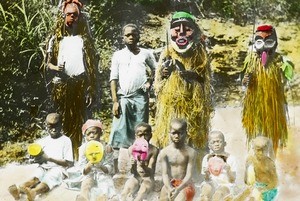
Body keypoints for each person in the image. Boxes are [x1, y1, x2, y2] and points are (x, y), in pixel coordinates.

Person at [44, 0, 99, 159]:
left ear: (80, 17)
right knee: (63, 120)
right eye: (68, 14)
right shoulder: (56, 39)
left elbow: (92, 68)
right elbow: (46, 64)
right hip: (62, 86)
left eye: (75, 15)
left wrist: (91, 89)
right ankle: (63, 156)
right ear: (63, 16)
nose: (72, 18)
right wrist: (55, 68)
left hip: (80, 86)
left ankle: (79, 155)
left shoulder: (84, 40)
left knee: (81, 120)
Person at [152, 11, 213, 150]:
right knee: (171, 136)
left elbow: (206, 82)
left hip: (193, 107)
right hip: (170, 105)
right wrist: (163, 73)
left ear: (195, 31)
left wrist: (195, 77)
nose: (181, 32)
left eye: (187, 28)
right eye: (176, 28)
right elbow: (158, 82)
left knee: (192, 138)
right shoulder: (167, 52)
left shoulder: (200, 53)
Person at [108, 23, 157, 174]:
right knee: (118, 131)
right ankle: (115, 169)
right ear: (122, 37)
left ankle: (139, 168)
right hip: (123, 97)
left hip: (140, 97)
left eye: (133, 34)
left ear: (138, 37)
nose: (131, 37)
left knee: (141, 132)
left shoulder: (146, 53)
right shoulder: (118, 55)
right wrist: (115, 101)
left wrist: (150, 81)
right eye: (127, 35)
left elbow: (157, 69)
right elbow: (113, 79)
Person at [241, 24, 294, 153]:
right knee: (257, 133)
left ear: (275, 43)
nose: (264, 46)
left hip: (273, 106)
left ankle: (272, 158)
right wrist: (245, 80)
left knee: (272, 134)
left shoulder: (280, 61)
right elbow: (243, 80)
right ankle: (257, 157)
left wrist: (281, 75)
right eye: (259, 42)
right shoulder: (250, 60)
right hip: (254, 106)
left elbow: (287, 79)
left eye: (269, 42)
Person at [8, 113, 73, 201]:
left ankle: (34, 192)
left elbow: (69, 163)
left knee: (50, 178)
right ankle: (19, 191)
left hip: (58, 168)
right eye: (50, 126)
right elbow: (37, 159)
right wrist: (35, 158)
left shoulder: (65, 140)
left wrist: (49, 158)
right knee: (35, 177)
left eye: (56, 126)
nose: (53, 129)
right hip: (43, 167)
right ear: (45, 125)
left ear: (61, 125)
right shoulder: (42, 141)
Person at [75, 119, 117, 201]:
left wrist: (100, 166)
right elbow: (82, 167)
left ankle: (104, 197)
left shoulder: (106, 147)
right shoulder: (83, 148)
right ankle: (84, 197)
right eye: (88, 134)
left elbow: (110, 166)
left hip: (102, 173)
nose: (91, 136)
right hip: (89, 174)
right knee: (86, 184)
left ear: (100, 133)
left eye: (94, 133)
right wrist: (88, 166)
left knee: (106, 185)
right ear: (85, 135)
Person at [159, 118, 196, 201]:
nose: (176, 136)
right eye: (174, 133)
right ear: (169, 133)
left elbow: (189, 175)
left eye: (180, 133)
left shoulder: (190, 152)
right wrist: (169, 188)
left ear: (185, 133)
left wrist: (178, 189)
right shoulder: (164, 152)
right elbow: (164, 174)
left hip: (185, 185)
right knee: (163, 197)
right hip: (171, 184)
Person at [121, 122, 159, 201]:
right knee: (125, 192)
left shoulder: (153, 150)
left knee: (141, 193)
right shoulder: (131, 149)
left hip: (147, 178)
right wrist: (132, 165)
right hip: (135, 177)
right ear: (136, 136)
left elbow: (151, 171)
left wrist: (143, 166)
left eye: (146, 134)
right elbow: (132, 171)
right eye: (140, 135)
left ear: (150, 135)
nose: (143, 137)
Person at [199, 131, 237, 201]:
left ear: (225, 143)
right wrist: (207, 173)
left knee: (218, 194)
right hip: (211, 183)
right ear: (209, 145)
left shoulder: (231, 158)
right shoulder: (207, 158)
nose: (216, 144)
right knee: (205, 191)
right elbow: (206, 179)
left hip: (225, 184)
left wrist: (228, 170)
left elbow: (232, 180)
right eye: (213, 142)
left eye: (219, 141)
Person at [244, 136, 278, 201]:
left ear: (267, 149)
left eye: (263, 150)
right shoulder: (250, 160)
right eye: (258, 150)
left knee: (256, 196)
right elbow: (246, 180)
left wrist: (263, 189)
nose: (261, 153)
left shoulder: (269, 163)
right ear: (253, 149)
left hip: (268, 191)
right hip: (255, 188)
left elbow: (275, 182)